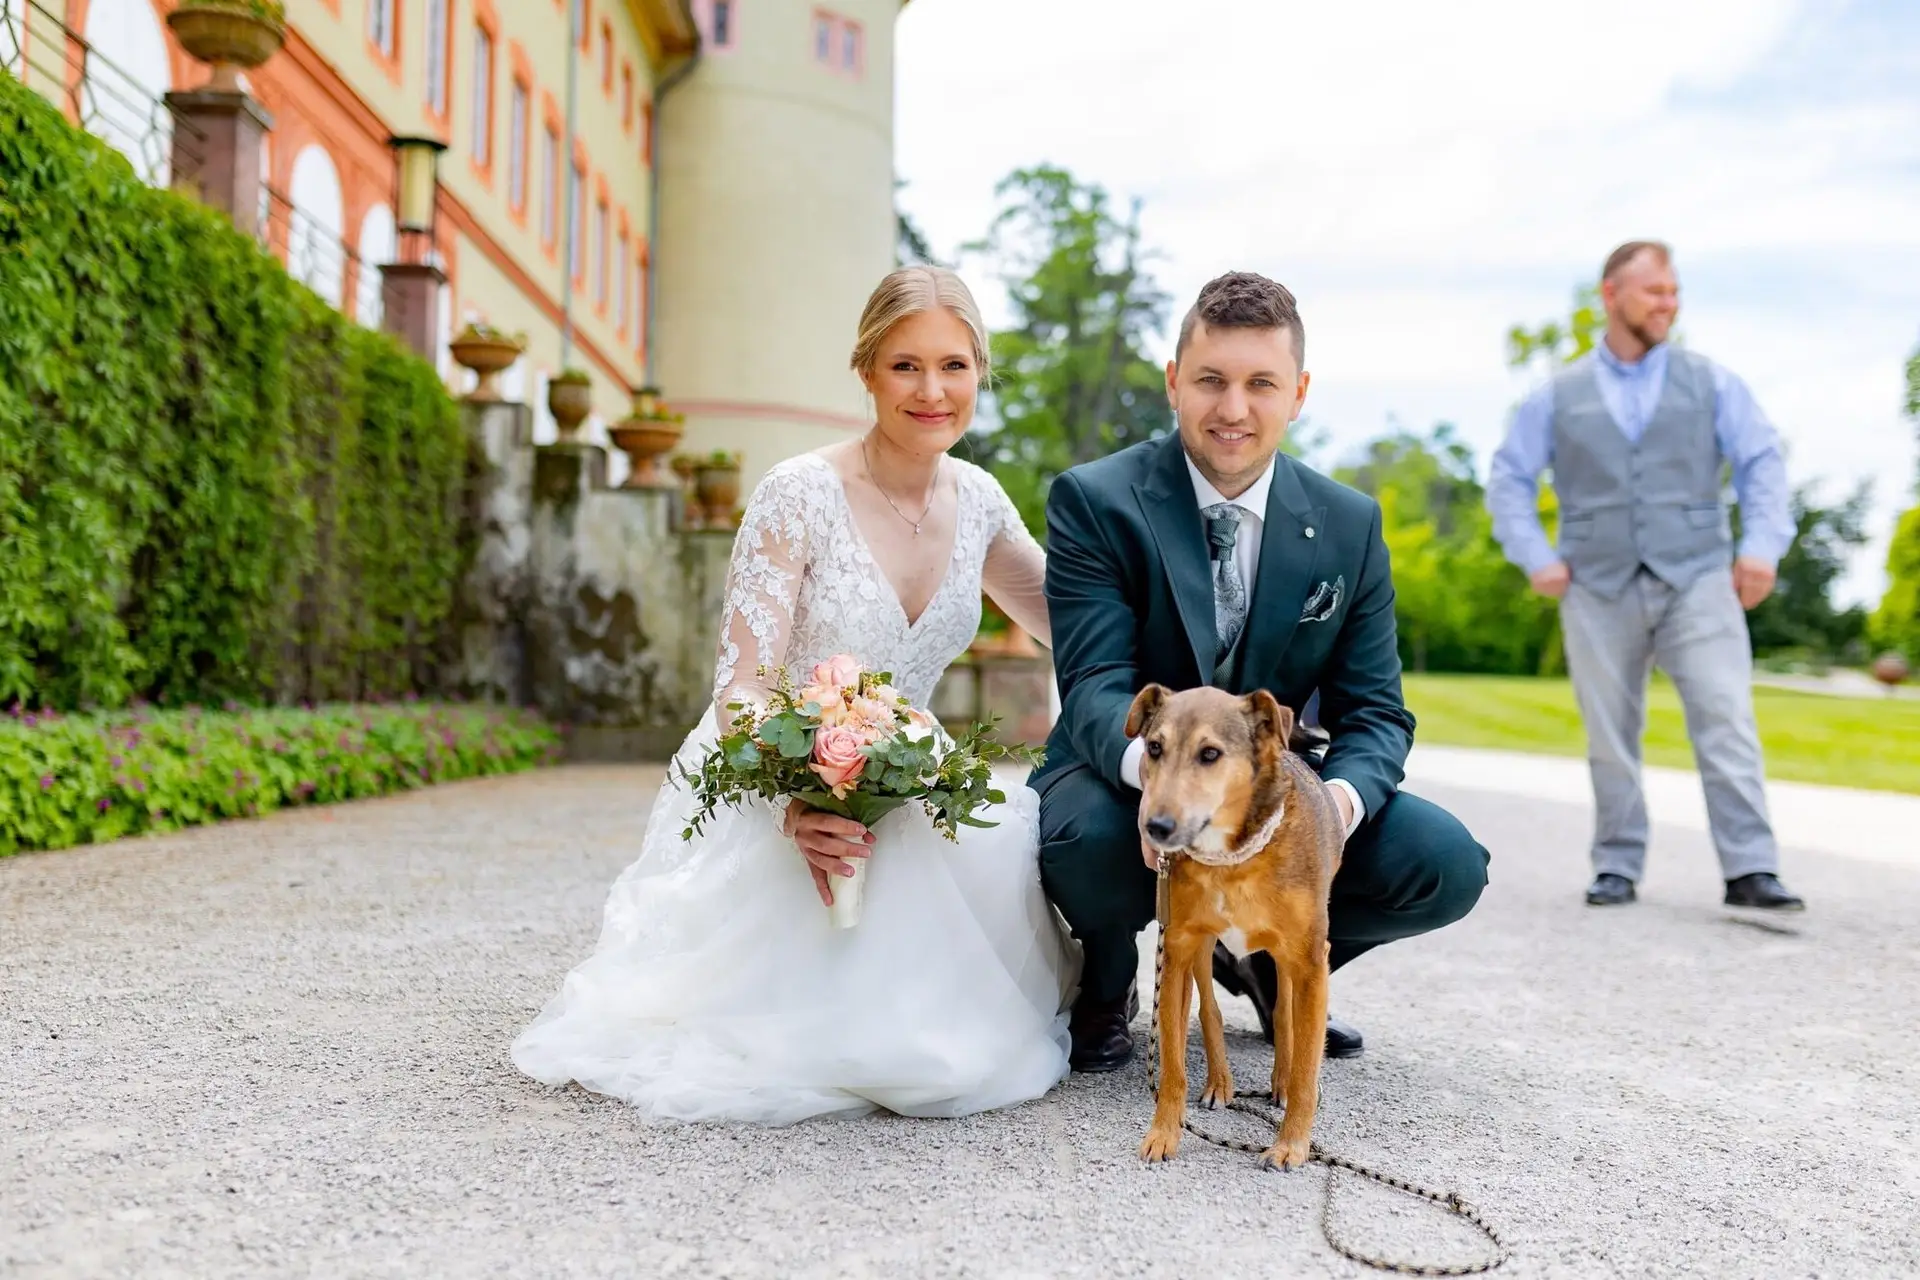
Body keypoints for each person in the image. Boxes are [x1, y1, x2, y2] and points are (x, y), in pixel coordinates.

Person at [511, 266, 1078, 1124]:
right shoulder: (798, 495)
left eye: (954, 366)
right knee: (808, 1028)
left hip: (909, 780)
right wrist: (794, 802)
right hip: (779, 773)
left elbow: (1075, 624)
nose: (932, 391)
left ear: (979, 374)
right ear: (866, 370)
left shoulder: (982, 502)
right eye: (906, 366)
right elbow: (741, 689)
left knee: (997, 893)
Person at [1033, 270, 1491, 1072]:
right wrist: (1164, 789)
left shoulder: (1349, 523)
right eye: (1211, 380)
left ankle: (1270, 964)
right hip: (1126, 782)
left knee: (1442, 863)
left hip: (1268, 798)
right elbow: (1096, 686)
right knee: (1082, 842)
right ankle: (1107, 979)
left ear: (1299, 393)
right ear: (1174, 382)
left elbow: (1376, 713)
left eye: (1261, 384)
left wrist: (1333, 814)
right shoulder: (1095, 500)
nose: (1233, 408)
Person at [1485, 239, 1803, 913]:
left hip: (1699, 576)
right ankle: (1616, 865)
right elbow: (1510, 476)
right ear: (1612, 295)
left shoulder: (1711, 381)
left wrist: (1761, 547)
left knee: (1725, 717)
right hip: (1596, 583)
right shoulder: (1559, 394)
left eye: (1673, 291)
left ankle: (1751, 868)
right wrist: (1536, 555)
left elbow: (1762, 461)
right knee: (1610, 734)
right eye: (1655, 291)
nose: (1669, 303)